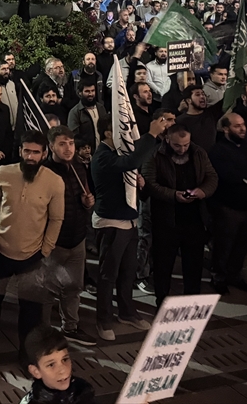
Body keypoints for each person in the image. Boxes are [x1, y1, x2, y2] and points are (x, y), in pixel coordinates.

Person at [0, 130, 65, 361]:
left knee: (30, 312)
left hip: (32, 256)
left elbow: (56, 219)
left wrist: (45, 250)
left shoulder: (54, 181)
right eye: (27, 151)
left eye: (36, 152)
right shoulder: (3, 173)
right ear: (20, 151)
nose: (30, 156)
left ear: (44, 154)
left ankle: (27, 358)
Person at [89, 114, 168, 341]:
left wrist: (139, 183)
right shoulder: (102, 157)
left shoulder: (118, 154)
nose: (127, 134)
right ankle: (103, 319)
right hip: (112, 222)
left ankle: (126, 312)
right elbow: (130, 163)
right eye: (122, 129)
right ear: (108, 132)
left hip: (129, 221)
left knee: (127, 272)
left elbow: (131, 168)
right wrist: (151, 134)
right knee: (108, 274)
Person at [142, 123, 218, 304]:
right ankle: (162, 300)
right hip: (166, 219)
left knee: (194, 265)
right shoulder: (155, 155)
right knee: (163, 264)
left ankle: (191, 301)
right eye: (177, 145)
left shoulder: (198, 153)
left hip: (194, 219)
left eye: (186, 145)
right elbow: (150, 184)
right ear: (168, 139)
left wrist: (203, 191)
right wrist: (173, 195)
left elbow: (212, 176)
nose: (182, 149)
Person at [41, 126, 97, 346]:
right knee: (48, 290)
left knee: (74, 287)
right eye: (62, 144)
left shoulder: (78, 167)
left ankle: (70, 327)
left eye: (71, 143)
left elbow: (83, 197)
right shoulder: (44, 172)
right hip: (54, 241)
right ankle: (44, 333)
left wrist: (87, 203)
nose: (68, 148)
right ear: (51, 146)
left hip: (77, 238)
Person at [207, 112, 247, 295]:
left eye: (243, 125)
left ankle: (234, 274)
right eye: (237, 126)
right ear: (226, 129)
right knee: (224, 245)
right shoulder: (218, 151)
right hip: (229, 207)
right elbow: (228, 174)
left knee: (243, 244)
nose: (242, 129)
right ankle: (219, 277)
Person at [19, 326, 95, 404]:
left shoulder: (82, 391)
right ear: (36, 371)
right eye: (51, 365)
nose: (62, 370)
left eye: (65, 359)